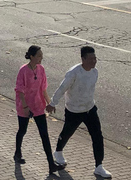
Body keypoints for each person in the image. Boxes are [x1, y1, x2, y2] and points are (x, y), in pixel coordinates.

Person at [46, 46, 112, 179]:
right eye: (90, 59)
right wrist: (52, 103)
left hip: (90, 109)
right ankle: (58, 152)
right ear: (83, 59)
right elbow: (62, 88)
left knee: (97, 136)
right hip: (74, 110)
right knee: (67, 133)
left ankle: (99, 166)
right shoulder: (73, 73)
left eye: (95, 58)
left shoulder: (95, 72)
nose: (94, 61)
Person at [14, 45, 64, 174]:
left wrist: (50, 103)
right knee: (22, 130)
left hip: (38, 105)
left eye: (42, 55)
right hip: (25, 105)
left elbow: (43, 88)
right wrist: (25, 107)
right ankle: (17, 153)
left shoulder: (41, 69)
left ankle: (51, 164)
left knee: (44, 135)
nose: (41, 58)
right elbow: (20, 90)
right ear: (31, 56)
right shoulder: (23, 70)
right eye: (39, 56)